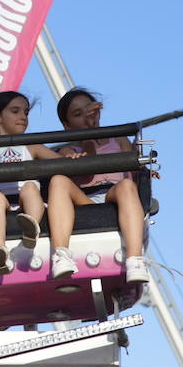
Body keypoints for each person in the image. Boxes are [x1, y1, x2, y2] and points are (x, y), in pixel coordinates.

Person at [50, 87, 150, 284]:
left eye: (88, 111)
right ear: (67, 125)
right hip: (85, 197)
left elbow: (136, 170)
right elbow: (88, 166)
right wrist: (88, 134)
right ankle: (61, 254)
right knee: (58, 181)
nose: (86, 117)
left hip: (116, 193)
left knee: (127, 186)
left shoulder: (119, 138)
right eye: (78, 115)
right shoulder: (67, 150)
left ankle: (134, 259)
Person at [0, 91, 67, 275]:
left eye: (26, 112)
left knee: (29, 188)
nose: (23, 116)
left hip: (27, 197)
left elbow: (64, 164)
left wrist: (71, 156)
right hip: (2, 201)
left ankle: (31, 228)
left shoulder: (32, 146)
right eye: (16, 111)